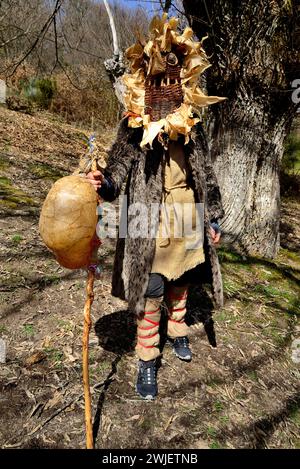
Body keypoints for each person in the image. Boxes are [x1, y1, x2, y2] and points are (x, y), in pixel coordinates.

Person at [85, 14, 225, 400]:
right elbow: (118, 164)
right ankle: (147, 359)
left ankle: (178, 329)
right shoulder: (134, 123)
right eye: (157, 79)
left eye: (171, 78)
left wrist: (213, 215)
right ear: (146, 81)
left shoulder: (192, 124)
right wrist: (106, 182)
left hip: (185, 214)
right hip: (147, 218)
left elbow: (206, 172)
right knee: (150, 288)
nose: (164, 85)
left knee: (181, 280)